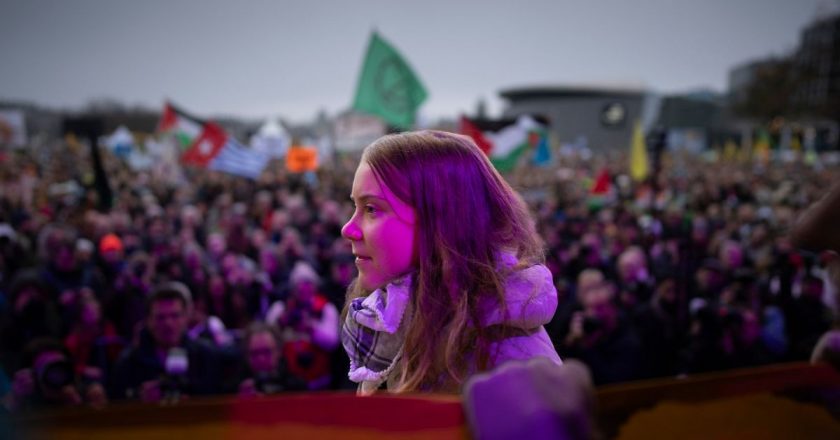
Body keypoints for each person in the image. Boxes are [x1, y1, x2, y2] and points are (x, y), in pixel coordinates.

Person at [340, 131, 561, 395]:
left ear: (442, 221)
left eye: (372, 209)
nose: (348, 229)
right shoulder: (392, 321)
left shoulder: (512, 361)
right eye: (355, 206)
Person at [110, 282, 222, 402]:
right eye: (160, 317)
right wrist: (139, 399)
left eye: (175, 316)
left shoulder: (205, 356)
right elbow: (117, 401)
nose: (168, 324)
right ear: (148, 321)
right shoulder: (129, 362)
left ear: (186, 318)